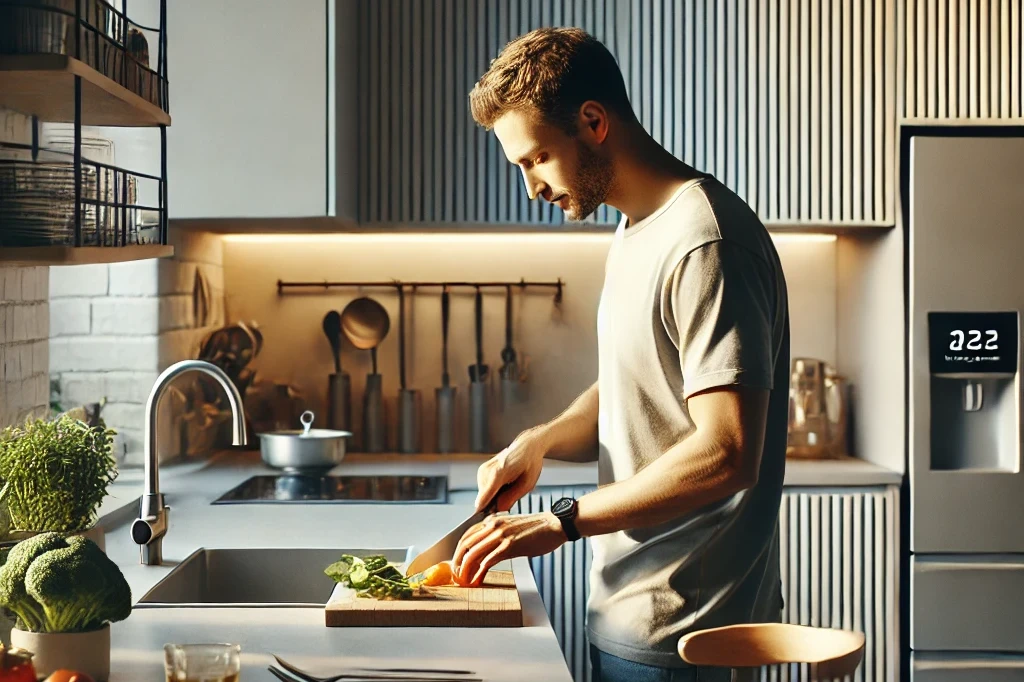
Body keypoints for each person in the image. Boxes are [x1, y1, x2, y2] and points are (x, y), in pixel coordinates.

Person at [451, 27, 790, 682]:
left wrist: (561, 522)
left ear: (594, 121)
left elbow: (727, 451)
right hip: (630, 611)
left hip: (691, 633)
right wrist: (540, 443)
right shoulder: (636, 230)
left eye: (537, 159)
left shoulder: (705, 242)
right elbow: (635, 384)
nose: (532, 187)